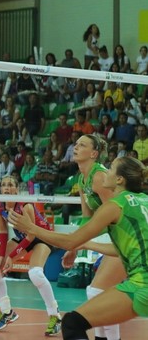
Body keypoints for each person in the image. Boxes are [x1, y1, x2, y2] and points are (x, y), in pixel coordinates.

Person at [9, 156, 148, 340]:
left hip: (142, 285)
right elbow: (126, 250)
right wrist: (87, 244)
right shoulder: (143, 200)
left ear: (120, 179)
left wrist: (32, 228)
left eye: (111, 167)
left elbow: (70, 241)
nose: (106, 171)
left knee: (72, 324)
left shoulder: (114, 205)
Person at [62, 133, 127, 340]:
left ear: (94, 153)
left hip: (128, 235)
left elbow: (115, 215)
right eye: (76, 144)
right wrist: (74, 246)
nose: (76, 147)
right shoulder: (82, 179)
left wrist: (79, 243)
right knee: (96, 292)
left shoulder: (100, 177)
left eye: (82, 145)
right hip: (115, 235)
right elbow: (86, 218)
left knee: (97, 292)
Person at [0, 175, 62, 335]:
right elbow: (3, 231)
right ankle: (7, 312)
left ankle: (55, 316)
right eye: (3, 185)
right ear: (0, 189)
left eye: (10, 185)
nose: (6, 188)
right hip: (22, 237)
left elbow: (32, 236)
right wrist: (1, 256)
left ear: (16, 189)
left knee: (35, 274)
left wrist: (11, 256)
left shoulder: (25, 205)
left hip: (42, 236)